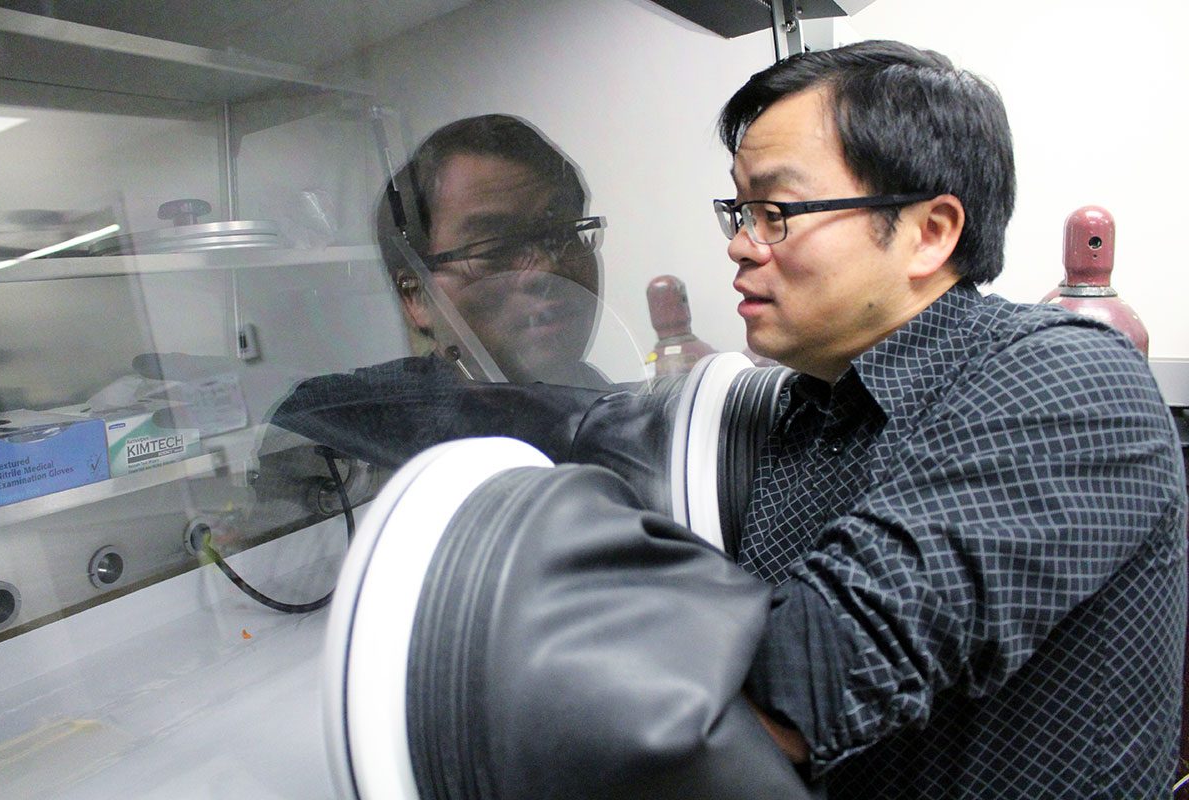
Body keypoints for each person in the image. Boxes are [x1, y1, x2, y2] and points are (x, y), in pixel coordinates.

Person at [712, 40, 1188, 797]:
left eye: (775, 212)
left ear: (930, 231)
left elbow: (797, 687)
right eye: (739, 211)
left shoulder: (1070, 383)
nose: (741, 244)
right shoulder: (809, 409)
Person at [378, 113, 610, 389]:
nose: (547, 269)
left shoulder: (623, 415)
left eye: (564, 234)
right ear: (414, 296)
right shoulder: (365, 421)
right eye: (496, 249)